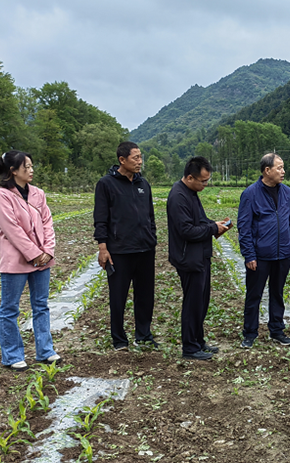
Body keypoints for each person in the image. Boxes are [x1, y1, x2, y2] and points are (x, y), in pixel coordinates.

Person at [0, 150, 61, 371]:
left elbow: (47, 223)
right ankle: (12, 355)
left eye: (31, 166)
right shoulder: (1, 195)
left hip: (43, 260)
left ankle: (45, 351)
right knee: (10, 308)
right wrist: (34, 253)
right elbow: (12, 230)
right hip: (16, 261)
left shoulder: (38, 194)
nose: (31, 170)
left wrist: (47, 251)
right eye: (26, 167)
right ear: (12, 171)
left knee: (41, 305)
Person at [93, 141, 158, 352]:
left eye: (141, 157)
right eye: (135, 158)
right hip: (119, 251)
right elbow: (101, 219)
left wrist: (152, 237)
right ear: (122, 160)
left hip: (145, 249)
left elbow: (150, 216)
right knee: (118, 296)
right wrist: (103, 248)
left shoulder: (143, 185)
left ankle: (144, 334)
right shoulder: (106, 184)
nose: (140, 162)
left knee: (145, 295)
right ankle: (119, 339)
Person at [167, 156, 231, 360]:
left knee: (202, 302)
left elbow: (199, 221)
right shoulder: (178, 196)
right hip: (189, 259)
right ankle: (190, 347)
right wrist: (212, 228)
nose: (205, 184)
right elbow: (186, 230)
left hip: (200, 257)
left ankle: (198, 341)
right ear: (189, 177)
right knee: (192, 303)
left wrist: (215, 224)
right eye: (203, 181)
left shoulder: (191, 193)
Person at [237, 153, 290, 349]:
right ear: (267, 170)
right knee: (254, 295)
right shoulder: (250, 194)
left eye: (283, 167)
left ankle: (277, 330)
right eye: (279, 168)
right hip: (260, 256)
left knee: (278, 293)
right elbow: (244, 227)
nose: (283, 171)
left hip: (283, 254)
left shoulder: (287, 192)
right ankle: (250, 332)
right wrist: (249, 254)